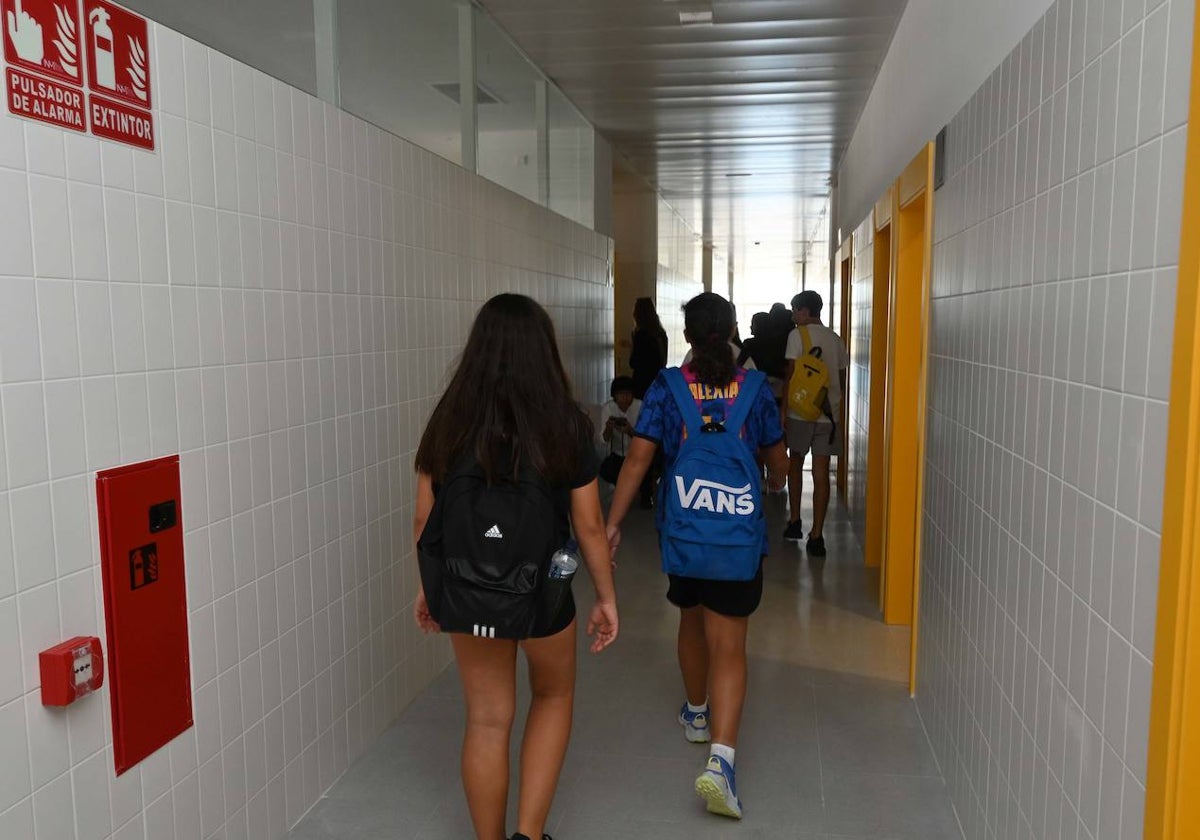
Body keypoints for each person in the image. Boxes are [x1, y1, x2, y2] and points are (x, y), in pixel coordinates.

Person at [412, 294, 619, 840]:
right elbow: (590, 526)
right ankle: (528, 835)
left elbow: (423, 521)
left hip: (466, 589)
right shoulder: (565, 426)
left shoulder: (448, 422)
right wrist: (606, 597)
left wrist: (429, 589)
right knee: (553, 695)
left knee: (486, 718)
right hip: (542, 595)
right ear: (543, 353)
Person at [606, 292, 788, 820]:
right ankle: (722, 764)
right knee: (729, 644)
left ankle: (696, 714)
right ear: (732, 332)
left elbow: (638, 462)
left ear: (686, 336)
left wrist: (612, 525)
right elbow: (778, 467)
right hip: (735, 540)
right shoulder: (753, 389)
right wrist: (766, 479)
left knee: (689, 617)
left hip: (685, 536)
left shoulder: (666, 387)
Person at [781, 290, 849, 556]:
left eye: (795, 310)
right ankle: (817, 535)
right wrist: (835, 409)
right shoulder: (836, 339)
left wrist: (783, 409)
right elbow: (841, 380)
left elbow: (790, 376)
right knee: (821, 475)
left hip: (800, 414)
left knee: (795, 464)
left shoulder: (796, 336)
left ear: (805, 311)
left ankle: (795, 520)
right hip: (828, 417)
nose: (793, 315)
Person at [630, 297, 669, 399]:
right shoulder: (661, 333)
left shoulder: (641, 335)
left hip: (642, 383)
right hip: (658, 380)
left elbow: (634, 362)